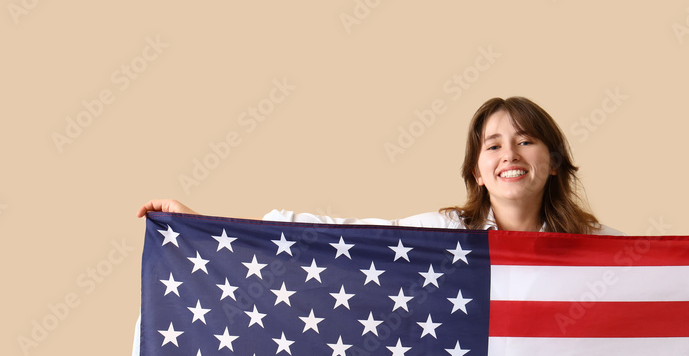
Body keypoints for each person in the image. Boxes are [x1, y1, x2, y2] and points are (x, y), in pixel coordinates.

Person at [138, 96, 621, 235]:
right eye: (492, 146)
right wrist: (200, 228)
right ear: (476, 171)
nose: (510, 154)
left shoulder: (599, 247)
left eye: (526, 140)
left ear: (554, 162)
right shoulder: (446, 231)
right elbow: (344, 236)